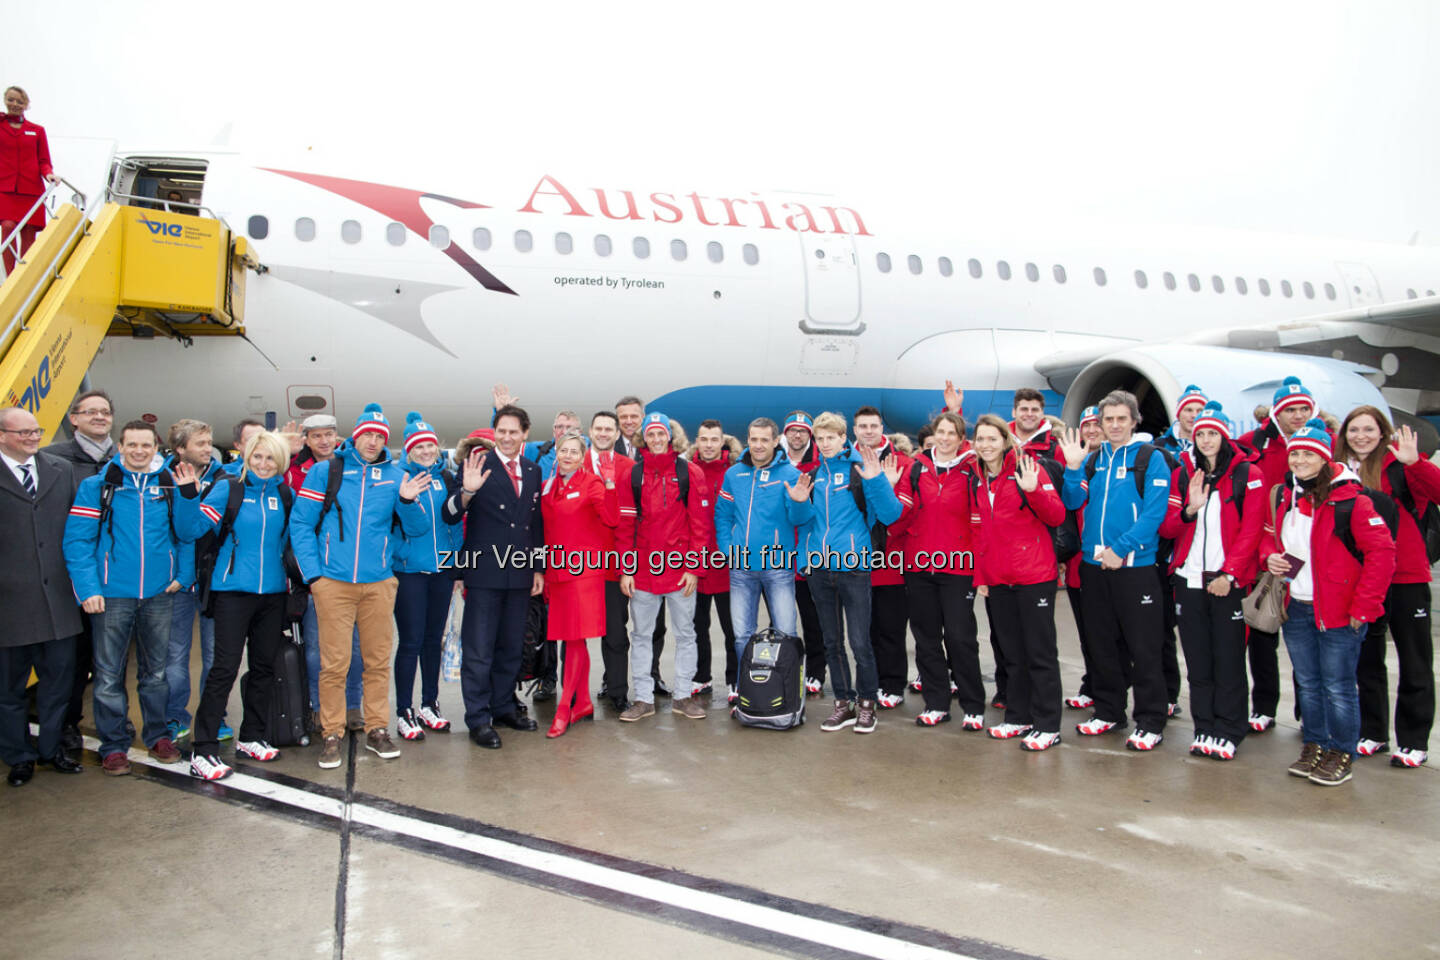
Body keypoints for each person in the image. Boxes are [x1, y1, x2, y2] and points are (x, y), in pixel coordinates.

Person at [290, 404, 429, 769]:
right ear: (355, 435)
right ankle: (331, 732)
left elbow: (414, 530)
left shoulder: (395, 475)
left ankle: (376, 729)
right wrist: (314, 576)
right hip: (332, 583)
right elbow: (301, 524)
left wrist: (407, 501)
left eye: (380, 436)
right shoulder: (327, 471)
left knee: (377, 662)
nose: (373, 441)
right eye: (367, 434)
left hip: (378, 584)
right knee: (334, 664)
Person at [1261, 419, 1396, 786]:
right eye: (1295, 454)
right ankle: (1316, 744)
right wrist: (1269, 556)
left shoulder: (1352, 500)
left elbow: (1382, 554)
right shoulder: (1286, 495)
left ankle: (1342, 751)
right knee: (1308, 683)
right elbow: (1270, 538)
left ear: (1324, 457)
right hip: (1298, 607)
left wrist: (1364, 607)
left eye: (1308, 454)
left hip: (1339, 613)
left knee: (1338, 686)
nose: (1299, 461)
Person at [63, 419, 199, 775]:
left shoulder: (169, 484)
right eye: (132, 445)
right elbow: (77, 542)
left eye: (146, 446)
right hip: (112, 596)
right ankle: (113, 745)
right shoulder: (99, 486)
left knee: (155, 673)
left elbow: (186, 534)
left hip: (158, 594)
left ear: (156, 449)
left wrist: (183, 575)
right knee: (108, 676)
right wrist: (89, 589)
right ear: (120, 447)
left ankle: (157, 736)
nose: (139, 452)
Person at [175, 431, 295, 781]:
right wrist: (187, 496)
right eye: (257, 457)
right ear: (246, 457)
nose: (263, 464)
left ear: (280, 462)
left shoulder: (284, 494)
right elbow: (191, 529)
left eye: (270, 458)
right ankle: (204, 748)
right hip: (232, 593)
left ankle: (252, 735)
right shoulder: (229, 488)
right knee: (223, 669)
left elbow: (288, 542)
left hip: (272, 595)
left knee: (263, 668)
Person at [1058, 390, 1172, 751]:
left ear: (1134, 421)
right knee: (1101, 644)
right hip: (1094, 569)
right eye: (1109, 419)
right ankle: (1108, 711)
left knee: (1144, 647)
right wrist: (1074, 468)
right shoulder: (1094, 460)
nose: (1115, 425)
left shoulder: (1151, 459)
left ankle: (1151, 720)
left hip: (1134, 567)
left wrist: (1120, 549)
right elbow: (1072, 502)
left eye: (1122, 418)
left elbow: (1155, 514)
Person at [1157, 404, 1264, 760]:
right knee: (1199, 660)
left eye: (1212, 433)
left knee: (1229, 660)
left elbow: (1251, 530)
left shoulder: (1248, 473)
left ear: (1224, 436)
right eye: (1200, 434)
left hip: (1227, 581)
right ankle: (1204, 727)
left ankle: (1230, 728)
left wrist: (1230, 573)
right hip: (1189, 579)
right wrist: (1190, 508)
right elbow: (1168, 527)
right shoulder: (1185, 475)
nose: (1205, 440)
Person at [1335, 408, 1439, 768]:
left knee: (1414, 661)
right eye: (1354, 429)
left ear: (1382, 433)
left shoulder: (1402, 464)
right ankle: (1373, 731)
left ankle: (1413, 739)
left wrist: (1415, 464)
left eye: (1369, 429)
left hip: (1406, 578)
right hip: (1362, 580)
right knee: (1367, 660)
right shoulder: (1338, 470)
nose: (1361, 436)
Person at [443, 404, 546, 749]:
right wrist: (467, 492)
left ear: (525, 434)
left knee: (511, 647)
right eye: (501, 431)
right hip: (485, 573)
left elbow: (535, 524)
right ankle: (478, 718)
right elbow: (450, 514)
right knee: (479, 650)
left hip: (519, 572)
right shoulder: (477, 465)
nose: (506, 437)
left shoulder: (532, 470)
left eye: (513, 431)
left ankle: (503, 706)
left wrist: (539, 566)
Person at [967, 414, 1067, 751]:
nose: (985, 445)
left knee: (1039, 653)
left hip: (1034, 576)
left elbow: (1056, 515)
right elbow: (980, 531)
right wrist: (982, 575)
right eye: (980, 439)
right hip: (998, 578)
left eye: (992, 438)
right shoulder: (979, 477)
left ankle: (1047, 724)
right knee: (1012, 654)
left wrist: (1034, 490)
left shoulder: (1028, 468)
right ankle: (1018, 716)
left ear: (1005, 440)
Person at [803, 413, 902, 734]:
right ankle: (842, 704)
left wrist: (876, 481)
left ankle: (867, 705)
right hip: (820, 570)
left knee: (860, 643)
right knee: (832, 643)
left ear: (843, 437)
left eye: (831, 437)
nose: (825, 443)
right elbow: (806, 521)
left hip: (854, 570)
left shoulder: (859, 471)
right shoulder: (816, 474)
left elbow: (890, 514)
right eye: (820, 439)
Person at [0, 406, 83, 786]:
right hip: (9, 606)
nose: (34, 438)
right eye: (24, 433)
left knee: (59, 684)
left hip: (60, 603)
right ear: (2, 435)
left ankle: (51, 750)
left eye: (37, 431)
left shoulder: (59, 470)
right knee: (9, 690)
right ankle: (18, 757)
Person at [1236, 375, 1324, 733]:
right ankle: (1265, 705)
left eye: (1304, 408)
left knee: (1312, 641)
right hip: (1266, 556)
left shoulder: (1325, 445)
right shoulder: (1251, 445)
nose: (1298, 415)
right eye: (1291, 409)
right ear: (1277, 412)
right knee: (1263, 632)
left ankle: (1311, 712)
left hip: (1313, 560)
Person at [889, 412, 984, 728]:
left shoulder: (971, 469)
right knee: (926, 639)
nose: (945, 438)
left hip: (958, 568)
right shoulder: (915, 469)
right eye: (940, 432)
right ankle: (936, 703)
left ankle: (972, 705)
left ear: (960, 439)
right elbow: (897, 518)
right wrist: (885, 489)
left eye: (951, 433)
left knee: (960, 638)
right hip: (919, 567)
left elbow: (981, 521)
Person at [616, 413, 710, 722]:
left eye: (661, 434)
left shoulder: (689, 472)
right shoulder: (634, 475)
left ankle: (683, 695)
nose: (657, 439)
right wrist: (626, 569)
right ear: (644, 438)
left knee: (686, 634)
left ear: (670, 437)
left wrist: (694, 568)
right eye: (651, 434)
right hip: (643, 570)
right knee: (642, 635)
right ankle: (643, 698)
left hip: (680, 569)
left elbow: (700, 525)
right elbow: (626, 526)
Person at [714, 417, 814, 698]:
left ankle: (789, 690)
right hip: (742, 567)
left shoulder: (790, 475)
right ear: (748, 440)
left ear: (775, 441)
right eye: (753, 439)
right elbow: (722, 514)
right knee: (742, 635)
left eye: (764, 440)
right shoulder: (735, 474)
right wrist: (727, 549)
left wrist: (800, 501)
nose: (758, 445)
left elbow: (803, 522)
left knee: (785, 632)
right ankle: (750, 691)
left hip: (778, 568)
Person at [42, 388, 116, 750]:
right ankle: (65, 726)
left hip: (115, 578)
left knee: (110, 662)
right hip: (70, 578)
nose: (99, 417)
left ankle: (110, 729)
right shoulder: (53, 460)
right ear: (74, 419)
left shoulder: (126, 460)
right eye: (90, 412)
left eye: (105, 412)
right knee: (70, 661)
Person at [284, 414, 364, 729]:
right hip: (315, 573)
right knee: (318, 648)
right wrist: (284, 455)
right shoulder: (292, 472)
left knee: (354, 647)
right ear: (306, 439)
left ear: (337, 436)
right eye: (315, 436)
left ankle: (354, 706)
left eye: (328, 434)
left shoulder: (353, 466)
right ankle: (320, 708)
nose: (323, 441)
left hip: (350, 569)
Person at [541, 431, 619, 737]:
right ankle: (584, 702)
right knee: (573, 639)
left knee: (574, 640)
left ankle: (564, 710)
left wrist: (611, 485)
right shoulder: (550, 485)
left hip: (584, 574)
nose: (568, 455)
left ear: (583, 455)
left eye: (575, 451)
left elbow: (612, 519)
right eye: (564, 450)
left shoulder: (592, 483)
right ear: (557, 453)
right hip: (558, 574)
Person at [392, 413, 464, 741]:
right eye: (418, 446)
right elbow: (412, 527)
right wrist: (406, 499)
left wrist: (458, 566)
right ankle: (404, 711)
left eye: (430, 445)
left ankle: (429, 703)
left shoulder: (447, 478)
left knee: (433, 641)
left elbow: (455, 525)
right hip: (410, 573)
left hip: (441, 573)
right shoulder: (399, 478)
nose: (425, 451)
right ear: (408, 450)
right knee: (410, 641)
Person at [162, 418, 225, 741]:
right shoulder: (162, 480)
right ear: (180, 449)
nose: (208, 448)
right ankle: (174, 716)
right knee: (175, 656)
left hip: (214, 581)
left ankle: (214, 717)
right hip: (177, 582)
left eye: (209, 441)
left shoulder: (223, 478)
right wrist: (183, 573)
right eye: (200, 443)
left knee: (216, 655)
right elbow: (179, 534)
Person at [853, 406, 914, 710]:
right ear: (855, 431)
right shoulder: (846, 462)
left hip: (890, 563)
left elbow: (900, 516)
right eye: (862, 426)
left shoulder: (901, 463)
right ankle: (868, 682)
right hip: (855, 563)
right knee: (864, 631)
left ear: (882, 429)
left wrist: (885, 488)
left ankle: (892, 684)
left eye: (873, 426)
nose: (868, 431)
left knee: (890, 628)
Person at [579, 411, 638, 712]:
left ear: (617, 435)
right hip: (579, 564)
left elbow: (632, 518)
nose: (603, 433)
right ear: (590, 431)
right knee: (574, 635)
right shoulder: (574, 462)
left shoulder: (628, 467)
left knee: (616, 632)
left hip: (613, 564)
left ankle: (617, 690)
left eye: (608, 429)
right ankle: (575, 694)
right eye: (598, 428)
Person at [688, 420, 739, 697]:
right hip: (695, 565)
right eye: (704, 439)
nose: (708, 444)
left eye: (714, 439)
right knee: (697, 627)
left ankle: (735, 679)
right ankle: (701, 676)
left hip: (726, 566)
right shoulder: (686, 472)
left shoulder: (733, 473)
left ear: (722, 442)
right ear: (697, 441)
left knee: (733, 629)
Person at [781, 411, 827, 698]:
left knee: (813, 620)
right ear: (785, 434)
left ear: (810, 436)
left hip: (808, 558)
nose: (797, 435)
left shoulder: (820, 467)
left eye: (803, 431)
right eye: (793, 431)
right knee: (781, 622)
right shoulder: (776, 465)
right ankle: (784, 670)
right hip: (779, 557)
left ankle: (816, 671)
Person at [1063, 405, 1102, 711]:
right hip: (1080, 562)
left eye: (1097, 424)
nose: (1091, 430)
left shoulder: (1129, 461)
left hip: (1118, 561)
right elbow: (1070, 502)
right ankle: (1093, 685)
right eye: (1087, 426)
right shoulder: (1076, 464)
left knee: (1119, 634)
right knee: (1089, 633)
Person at [0, 85, 56, 274]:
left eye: (19, 101)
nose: (14, 104)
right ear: (5, 101)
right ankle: (10, 275)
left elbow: (43, 161)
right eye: (10, 100)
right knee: (8, 227)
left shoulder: (37, 130)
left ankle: (24, 276)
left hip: (31, 189)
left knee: (28, 233)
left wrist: (49, 174)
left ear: (26, 104)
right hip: (5, 188)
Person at [1156, 385, 1208, 455]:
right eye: (1189, 410)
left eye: (1199, 411)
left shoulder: (1212, 448)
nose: (1194, 415)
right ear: (1179, 414)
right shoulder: (1160, 445)